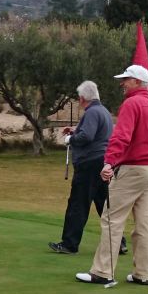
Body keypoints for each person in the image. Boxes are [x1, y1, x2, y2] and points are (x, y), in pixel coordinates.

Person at [76, 64, 148, 288]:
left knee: (112, 218)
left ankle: (102, 272)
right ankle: (143, 273)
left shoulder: (131, 103)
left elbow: (121, 136)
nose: (122, 83)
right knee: (144, 223)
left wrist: (109, 162)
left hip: (134, 169)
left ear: (137, 82)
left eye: (126, 79)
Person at [49, 80, 116, 255]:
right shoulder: (103, 111)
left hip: (89, 164)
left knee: (78, 204)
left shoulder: (92, 112)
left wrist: (70, 139)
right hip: (102, 163)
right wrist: (75, 130)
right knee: (104, 204)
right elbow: (93, 133)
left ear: (82, 98)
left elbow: (87, 136)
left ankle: (69, 244)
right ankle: (119, 242)